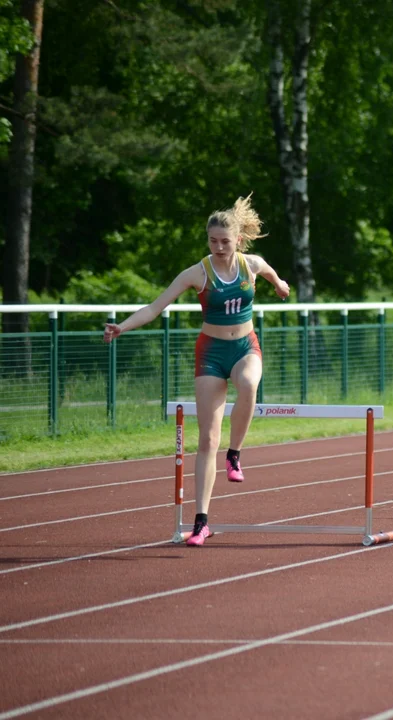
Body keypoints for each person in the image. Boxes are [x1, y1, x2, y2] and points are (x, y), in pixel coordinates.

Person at [103, 195, 290, 546]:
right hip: (210, 353)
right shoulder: (197, 273)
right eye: (212, 241)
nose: (218, 247)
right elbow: (155, 307)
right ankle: (201, 522)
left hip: (244, 346)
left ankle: (235, 453)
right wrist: (122, 327)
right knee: (206, 440)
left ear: (238, 240)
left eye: (225, 241)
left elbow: (271, 275)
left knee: (248, 382)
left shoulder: (251, 264)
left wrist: (279, 285)